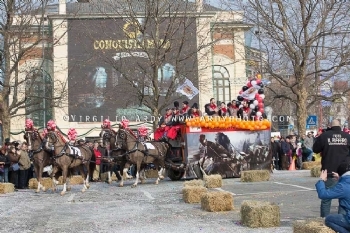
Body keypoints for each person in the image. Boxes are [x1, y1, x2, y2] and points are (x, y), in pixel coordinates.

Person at [313, 119, 350, 217]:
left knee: (326, 199)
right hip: (345, 171)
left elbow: (315, 149)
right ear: (340, 126)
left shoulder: (324, 136)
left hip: (329, 170)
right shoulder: (347, 136)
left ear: (330, 126)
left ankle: (325, 220)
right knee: (344, 198)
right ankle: (342, 219)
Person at [316, 162, 350, 233]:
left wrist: (321, 181)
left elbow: (323, 194)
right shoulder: (344, 183)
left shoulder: (342, 187)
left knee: (328, 219)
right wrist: (341, 179)